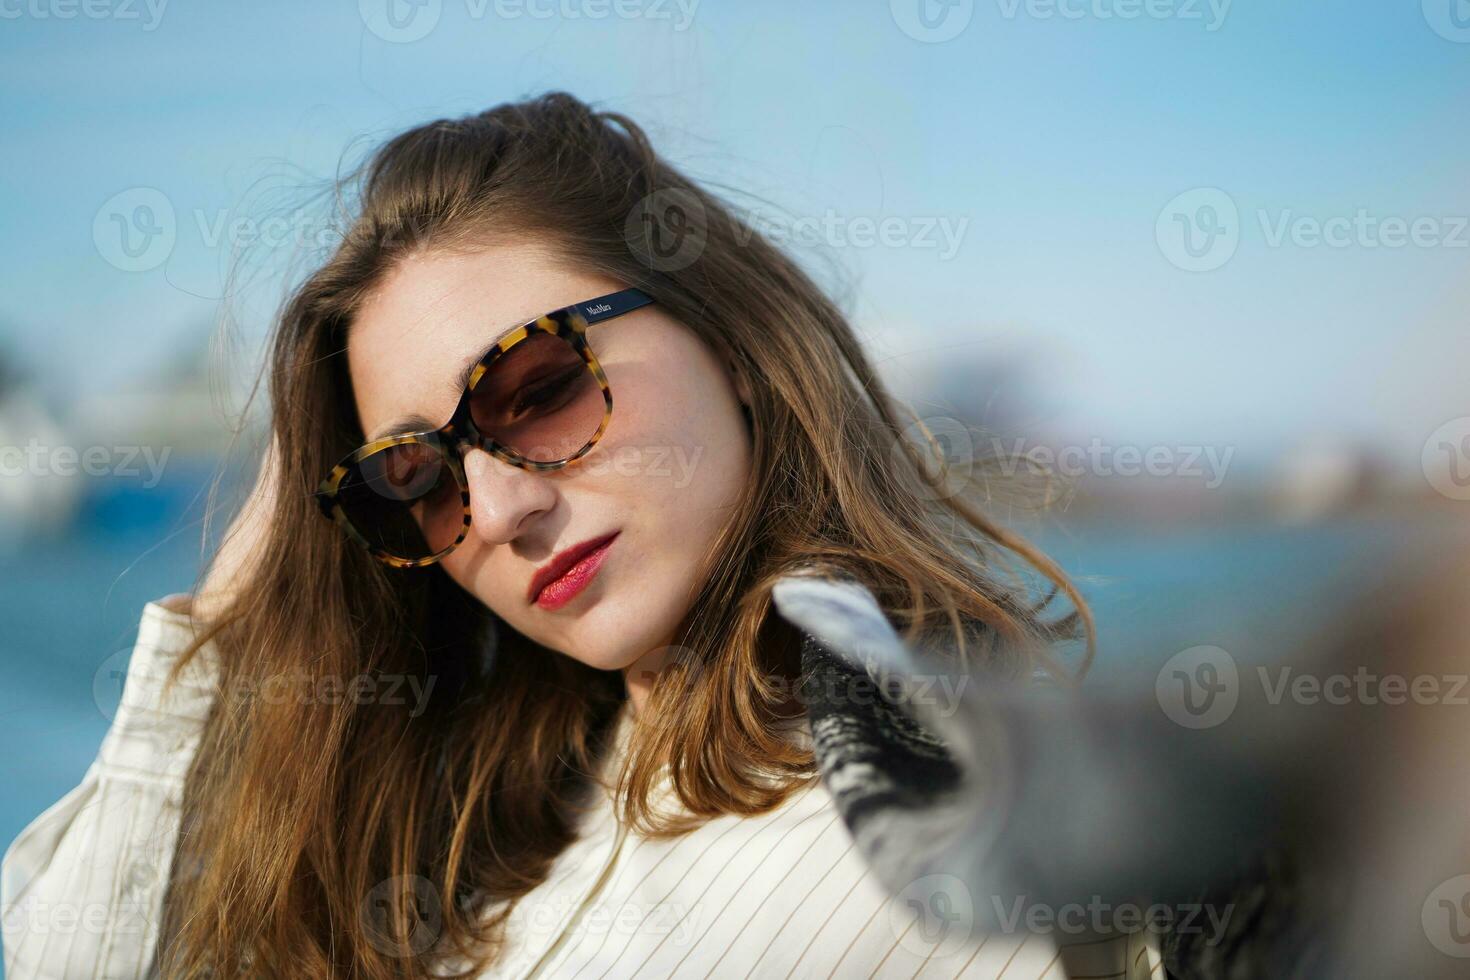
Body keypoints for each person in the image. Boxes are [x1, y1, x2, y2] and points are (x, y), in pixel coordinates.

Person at [2, 92, 1156, 978]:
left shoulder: (924, 801)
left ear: (736, 344)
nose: (499, 510)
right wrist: (226, 623)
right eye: (413, 474)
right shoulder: (490, 834)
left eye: (538, 386)